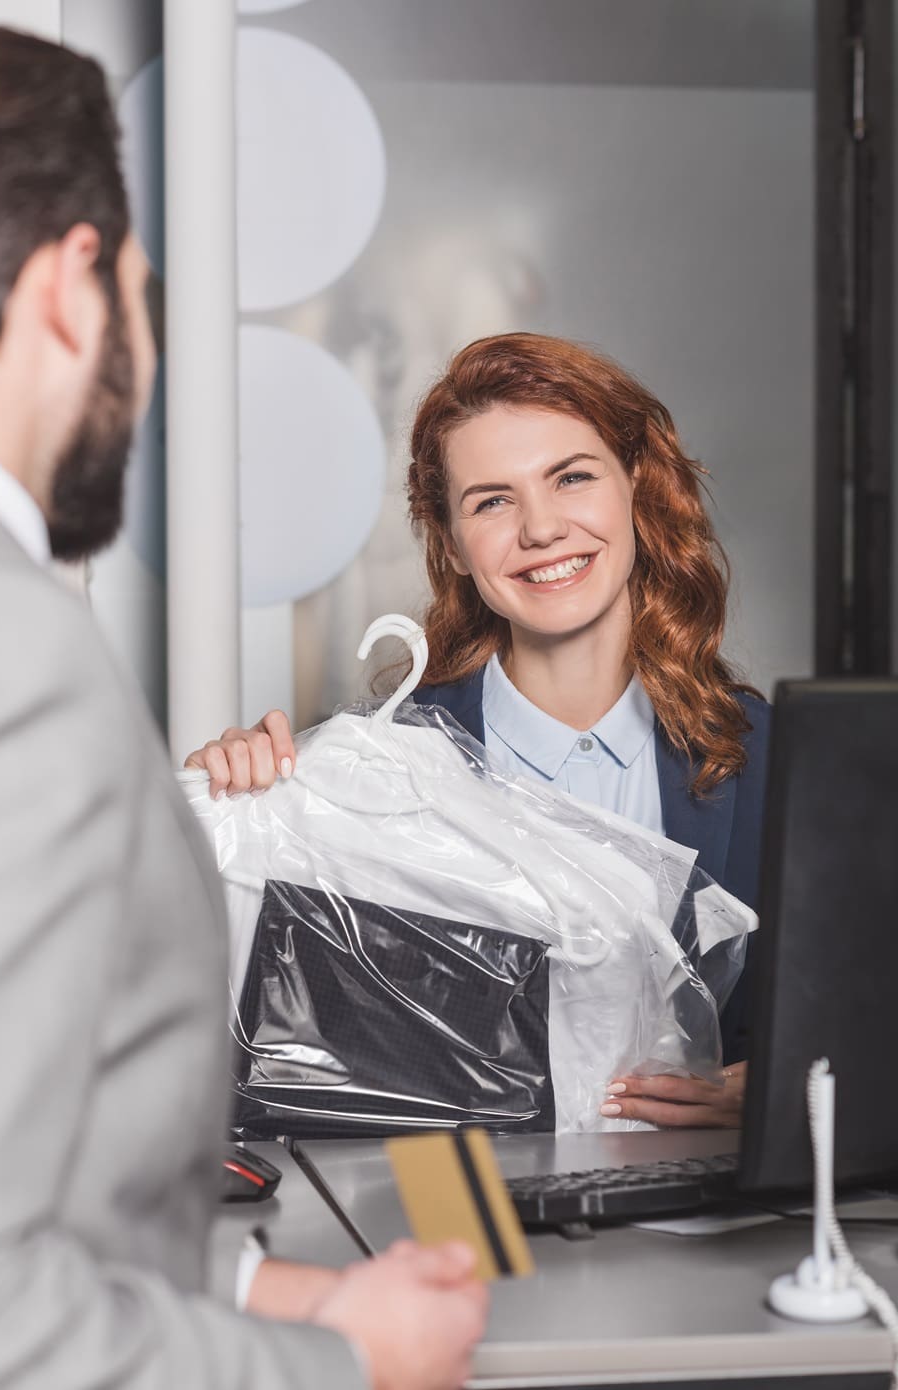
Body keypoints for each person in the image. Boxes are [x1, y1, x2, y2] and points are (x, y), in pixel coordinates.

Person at [0, 22, 487, 1390]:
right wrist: (352, 1363)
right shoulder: (11, 658)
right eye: (147, 294)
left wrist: (272, 1282)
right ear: (78, 288)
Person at [192, 333, 769, 1132]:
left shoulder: (779, 762)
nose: (540, 529)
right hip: (454, 1225)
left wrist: (783, 1094)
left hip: (723, 1241)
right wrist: (232, 823)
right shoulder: (370, 781)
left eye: (571, 478)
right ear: (453, 544)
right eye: (491, 501)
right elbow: (306, 1071)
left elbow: (863, 1022)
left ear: (635, 487)